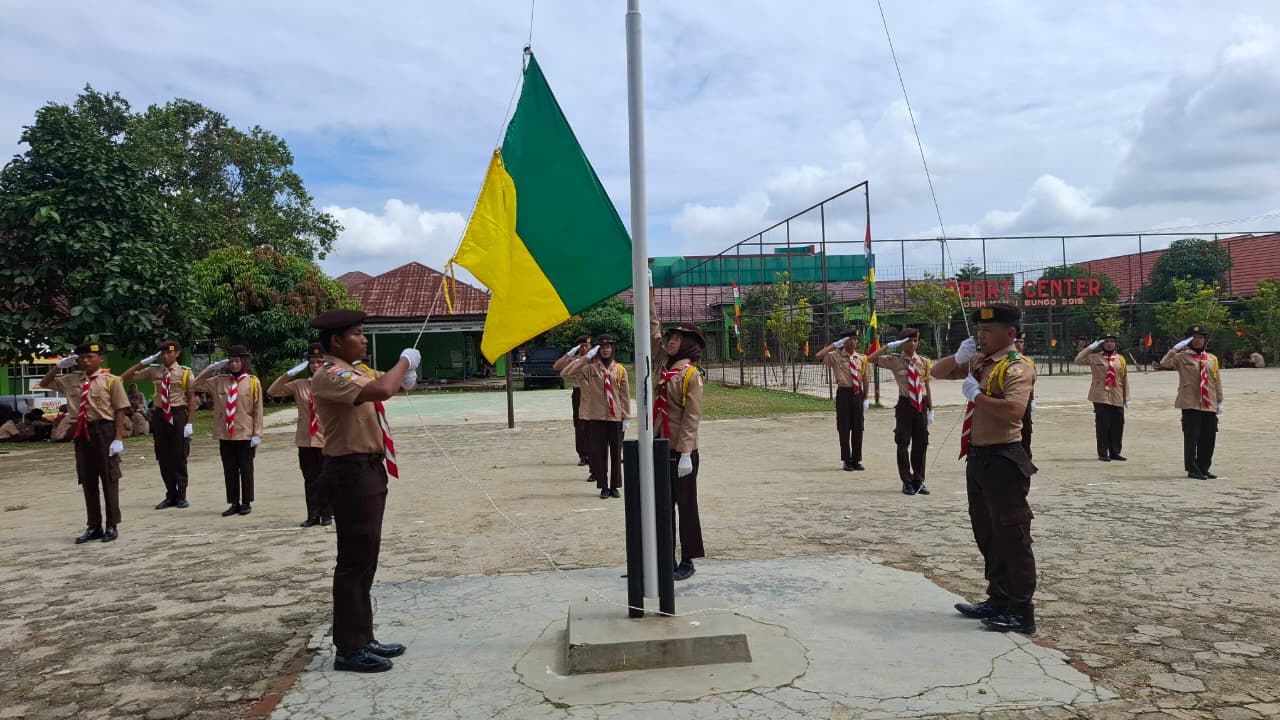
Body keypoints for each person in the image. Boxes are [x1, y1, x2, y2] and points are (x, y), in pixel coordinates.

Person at [309, 308, 420, 673]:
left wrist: (406, 375)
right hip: (350, 471)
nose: (365, 339)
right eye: (358, 333)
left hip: (368, 469)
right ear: (337, 341)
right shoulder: (330, 374)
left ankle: (362, 635)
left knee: (367, 555)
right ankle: (349, 649)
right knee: (354, 560)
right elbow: (383, 389)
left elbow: (388, 384)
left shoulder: (356, 371)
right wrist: (405, 360)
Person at [932, 303, 1038, 634]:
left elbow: (1013, 411)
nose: (981, 336)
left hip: (1003, 458)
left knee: (1012, 535)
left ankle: (1021, 610)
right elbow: (936, 372)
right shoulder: (981, 361)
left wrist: (977, 395)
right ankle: (998, 597)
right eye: (979, 331)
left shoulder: (1016, 367)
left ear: (1010, 333)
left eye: (988, 331)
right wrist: (960, 357)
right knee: (987, 533)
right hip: (978, 457)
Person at [37, 341, 131, 543]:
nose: (86, 361)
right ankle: (94, 525)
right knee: (87, 480)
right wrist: (58, 367)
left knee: (109, 478)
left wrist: (118, 438)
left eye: (90, 357)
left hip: (104, 430)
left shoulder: (111, 381)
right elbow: (44, 384)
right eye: (81, 358)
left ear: (100, 359)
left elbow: (120, 409)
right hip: (82, 432)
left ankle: (112, 525)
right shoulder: (71, 379)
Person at [650, 287, 706, 581]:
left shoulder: (689, 375)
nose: (670, 342)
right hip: (659, 446)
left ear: (687, 345)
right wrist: (648, 292)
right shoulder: (663, 368)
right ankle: (665, 558)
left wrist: (685, 452)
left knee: (685, 506)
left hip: (681, 452)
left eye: (676, 339)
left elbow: (691, 416)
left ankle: (688, 560)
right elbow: (653, 333)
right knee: (661, 506)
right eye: (670, 338)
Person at [123, 340, 197, 509]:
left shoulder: (185, 373)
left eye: (169, 353)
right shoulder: (153, 370)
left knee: (179, 456)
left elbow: (191, 399)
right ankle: (170, 494)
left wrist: (189, 423)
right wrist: (142, 363)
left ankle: (182, 495)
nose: (165, 356)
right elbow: (124, 378)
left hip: (178, 414)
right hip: (159, 415)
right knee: (163, 456)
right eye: (162, 353)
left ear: (177, 353)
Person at [193, 346, 264, 516]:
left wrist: (257, 433)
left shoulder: (253, 382)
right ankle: (234, 502)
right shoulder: (219, 380)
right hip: (225, 433)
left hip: (245, 432)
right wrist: (211, 368)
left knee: (246, 469)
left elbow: (258, 409)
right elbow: (194, 384)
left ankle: (246, 502)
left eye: (237, 361)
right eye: (231, 361)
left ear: (244, 362)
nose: (234, 364)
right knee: (229, 469)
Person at [268, 342, 333, 527]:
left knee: (326, 477)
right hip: (305, 439)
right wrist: (289, 374)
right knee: (310, 479)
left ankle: (327, 513)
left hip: (326, 438)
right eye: (312, 362)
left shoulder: (332, 383)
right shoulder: (299, 385)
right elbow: (273, 391)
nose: (315, 365)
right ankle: (313, 515)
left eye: (320, 362)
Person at [561, 334, 631, 498]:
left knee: (615, 453)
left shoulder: (620, 370)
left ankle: (615, 486)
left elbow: (625, 395)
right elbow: (565, 373)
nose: (606, 350)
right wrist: (585, 358)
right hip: (596, 417)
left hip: (615, 417)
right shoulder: (590, 369)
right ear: (598, 350)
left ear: (613, 349)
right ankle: (603, 486)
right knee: (599, 454)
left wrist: (626, 417)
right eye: (603, 347)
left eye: (609, 347)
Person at [868, 328, 935, 495]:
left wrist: (931, 409)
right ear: (901, 343)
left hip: (921, 403)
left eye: (915, 340)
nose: (913, 344)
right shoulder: (894, 360)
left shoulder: (924, 362)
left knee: (921, 442)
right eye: (909, 340)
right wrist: (887, 347)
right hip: (905, 404)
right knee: (903, 441)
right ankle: (907, 481)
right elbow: (870, 359)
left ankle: (919, 480)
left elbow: (926, 385)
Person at [1160, 325, 1224, 479]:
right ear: (1188, 340)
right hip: (1190, 402)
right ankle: (1192, 469)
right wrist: (1175, 348)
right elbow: (1164, 363)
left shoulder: (1211, 359)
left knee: (1209, 437)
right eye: (1194, 338)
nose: (1198, 340)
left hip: (1209, 402)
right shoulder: (1181, 357)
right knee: (1191, 438)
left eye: (1201, 338)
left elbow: (1216, 381)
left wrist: (1220, 401)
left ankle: (1204, 467)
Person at [816, 328, 869, 471]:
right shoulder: (835, 356)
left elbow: (865, 379)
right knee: (844, 427)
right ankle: (847, 459)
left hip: (858, 393)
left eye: (855, 339)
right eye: (850, 339)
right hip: (844, 393)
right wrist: (834, 345)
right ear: (844, 341)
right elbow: (819, 356)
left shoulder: (861, 358)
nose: (854, 342)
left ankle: (856, 459)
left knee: (858, 427)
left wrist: (866, 398)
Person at [1074, 332, 1130, 462]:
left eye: (1112, 341)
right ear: (1102, 344)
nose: (1109, 344)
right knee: (1103, 426)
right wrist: (1092, 346)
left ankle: (1115, 452)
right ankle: (1103, 453)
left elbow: (1124, 379)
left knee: (1118, 425)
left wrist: (1126, 397)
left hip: (1117, 395)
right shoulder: (1094, 358)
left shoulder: (1120, 359)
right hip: (1100, 396)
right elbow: (1078, 359)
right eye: (1106, 341)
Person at [552, 334, 592, 469]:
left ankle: (593, 453)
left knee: (593, 423)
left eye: (587, 345)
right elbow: (556, 367)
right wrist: (569, 353)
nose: (585, 348)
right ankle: (582, 454)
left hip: (593, 394)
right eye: (582, 346)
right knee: (579, 423)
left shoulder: (593, 359)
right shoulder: (574, 359)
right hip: (579, 393)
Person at [1014, 332, 1036, 458]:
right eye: (1016, 342)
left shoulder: (1029, 361)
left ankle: (1027, 454)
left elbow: (1031, 383)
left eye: (1021, 342)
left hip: (1025, 399)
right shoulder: (1005, 360)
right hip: (1011, 400)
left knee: (1026, 429)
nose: (1018, 345)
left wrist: (1032, 400)